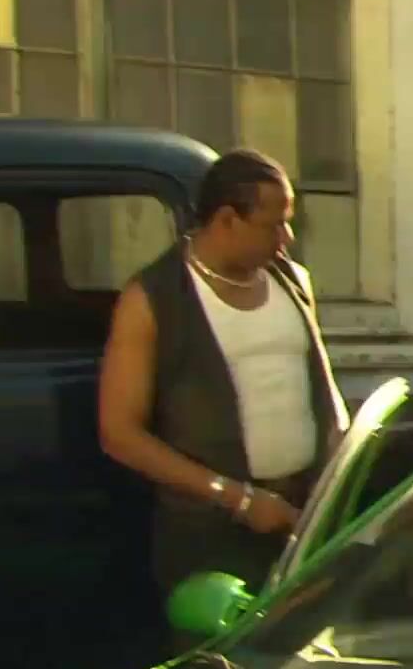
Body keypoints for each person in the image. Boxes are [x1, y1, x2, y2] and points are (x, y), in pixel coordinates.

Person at [99, 149, 347, 622]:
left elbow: (320, 384)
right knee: (218, 658)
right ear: (228, 219)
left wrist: (338, 473)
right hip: (209, 534)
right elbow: (119, 433)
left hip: (302, 521)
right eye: (274, 225)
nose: (287, 238)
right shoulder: (153, 298)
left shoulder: (293, 281)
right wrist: (238, 498)